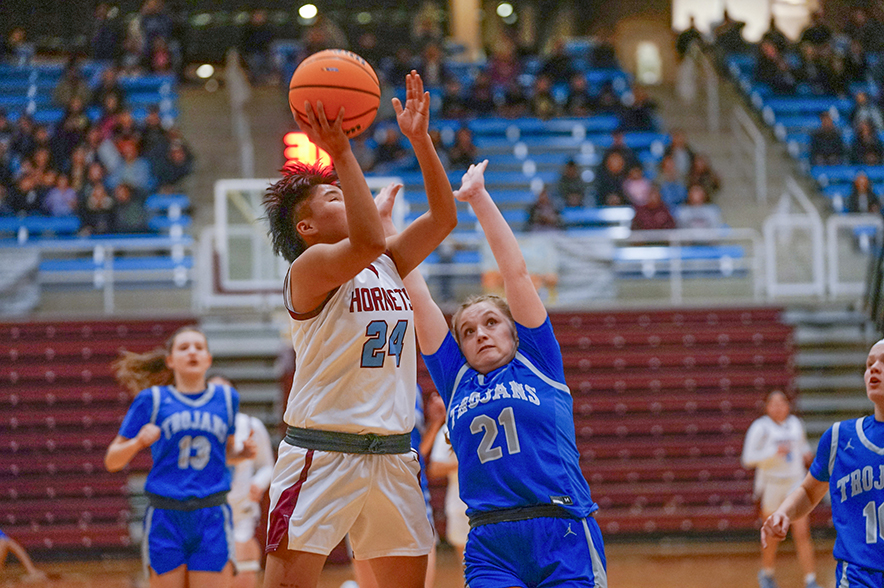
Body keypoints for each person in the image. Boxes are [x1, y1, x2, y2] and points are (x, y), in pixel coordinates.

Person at [261, 71, 457, 588]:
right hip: (321, 452)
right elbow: (368, 240)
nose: (345, 198)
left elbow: (443, 217)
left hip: (393, 452)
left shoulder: (386, 261)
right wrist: (341, 155)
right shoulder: (309, 270)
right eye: (331, 199)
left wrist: (420, 139)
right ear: (306, 228)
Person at [400, 160, 607, 588]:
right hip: (490, 540)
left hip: (561, 526)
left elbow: (515, 272)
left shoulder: (538, 361)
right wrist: (388, 231)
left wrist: (478, 196)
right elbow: (417, 296)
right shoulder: (456, 379)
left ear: (515, 331)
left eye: (492, 323)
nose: (480, 334)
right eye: (469, 331)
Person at [105, 326, 257, 588]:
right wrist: (138, 442)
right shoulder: (151, 400)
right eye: (184, 348)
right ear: (170, 360)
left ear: (208, 359)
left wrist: (242, 453)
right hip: (166, 514)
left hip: (212, 513)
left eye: (199, 347)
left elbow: (224, 454)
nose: (192, 352)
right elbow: (112, 460)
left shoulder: (226, 398)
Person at [762, 338, 884, 588]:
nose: (874, 368)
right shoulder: (840, 437)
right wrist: (784, 512)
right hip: (858, 576)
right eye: (869, 363)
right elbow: (808, 492)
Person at [743, 391, 821, 588]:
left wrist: (807, 455)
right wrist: (773, 452)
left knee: (802, 532)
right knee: (772, 533)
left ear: (788, 405)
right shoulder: (760, 427)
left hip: (795, 484)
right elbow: (748, 459)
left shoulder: (795, 424)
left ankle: (810, 579)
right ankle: (767, 573)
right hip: (772, 485)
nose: (778, 407)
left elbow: (802, 447)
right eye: (773, 403)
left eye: (782, 402)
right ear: (767, 407)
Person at [206, 375, 275, 588]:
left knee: (244, 571)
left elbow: (268, 466)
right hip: (206, 512)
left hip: (241, 511)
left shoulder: (250, 425)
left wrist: (259, 483)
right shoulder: (198, 427)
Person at [428, 424, 468, 569]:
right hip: (459, 505)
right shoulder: (450, 427)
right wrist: (468, 462)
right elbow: (435, 467)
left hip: (494, 504)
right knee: (468, 569)